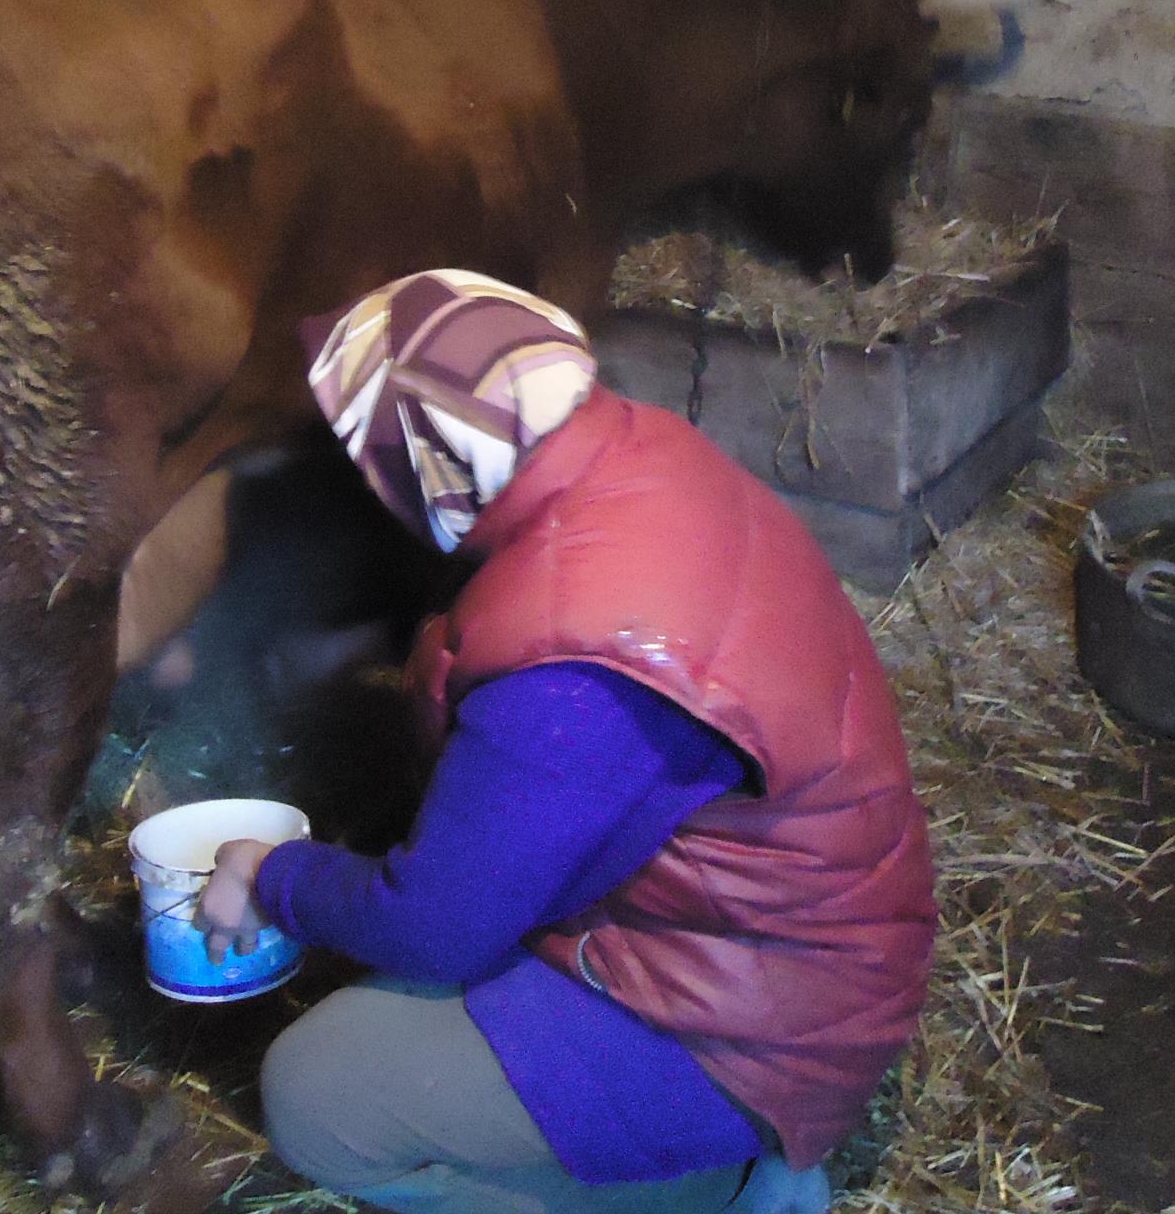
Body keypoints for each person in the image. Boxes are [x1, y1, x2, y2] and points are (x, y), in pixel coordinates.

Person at [195, 269, 935, 1214]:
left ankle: (721, 1183)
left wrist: (268, 874)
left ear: (433, 465)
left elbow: (436, 929)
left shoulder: (575, 667)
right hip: (792, 950)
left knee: (318, 1093)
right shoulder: (641, 456)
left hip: (748, 1034)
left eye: (372, 463)